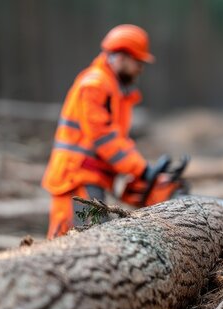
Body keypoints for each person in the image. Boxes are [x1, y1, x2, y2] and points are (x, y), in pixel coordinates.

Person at [42, 24, 155, 239]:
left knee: (89, 244)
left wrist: (142, 169)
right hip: (76, 178)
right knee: (76, 246)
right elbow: (104, 137)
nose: (140, 68)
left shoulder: (114, 89)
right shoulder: (95, 85)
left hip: (88, 177)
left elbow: (118, 139)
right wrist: (141, 169)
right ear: (121, 56)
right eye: (138, 62)